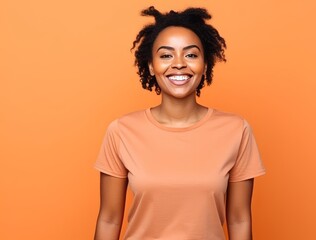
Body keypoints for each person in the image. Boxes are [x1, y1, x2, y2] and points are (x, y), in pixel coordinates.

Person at [94, 6, 265, 240]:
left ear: (205, 65)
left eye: (191, 55)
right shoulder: (122, 131)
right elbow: (109, 219)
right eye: (166, 55)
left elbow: (239, 219)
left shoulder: (236, 130)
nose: (178, 64)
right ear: (151, 66)